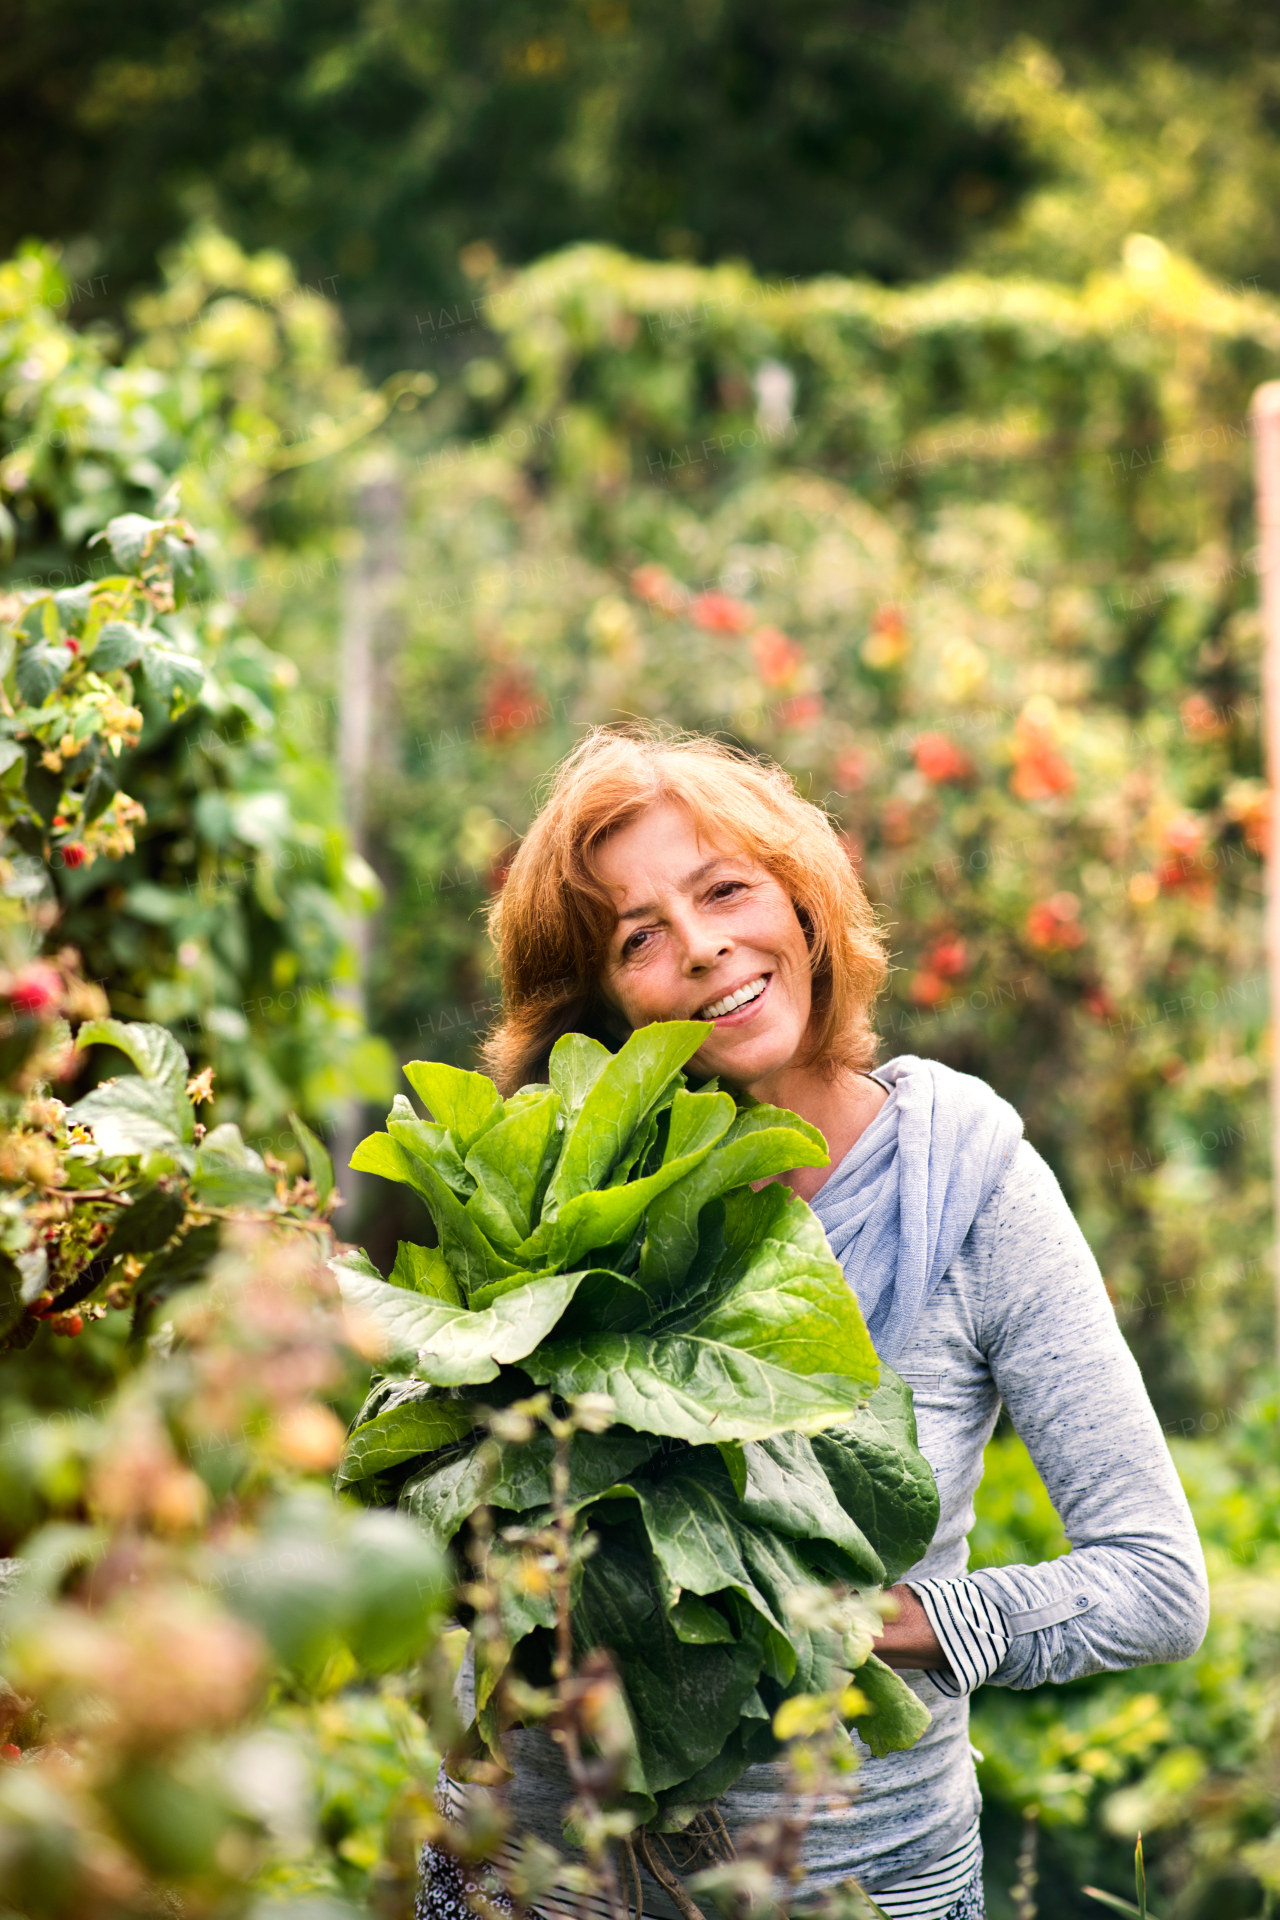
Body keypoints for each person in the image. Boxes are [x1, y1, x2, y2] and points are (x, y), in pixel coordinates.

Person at [421, 726, 1209, 1920]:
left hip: (862, 1883)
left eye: (725, 889)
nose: (701, 948)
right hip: (534, 1885)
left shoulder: (969, 1184)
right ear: (598, 1000)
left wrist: (912, 1621)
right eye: (638, 938)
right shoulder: (544, 1184)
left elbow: (1156, 1583)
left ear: (802, 902)